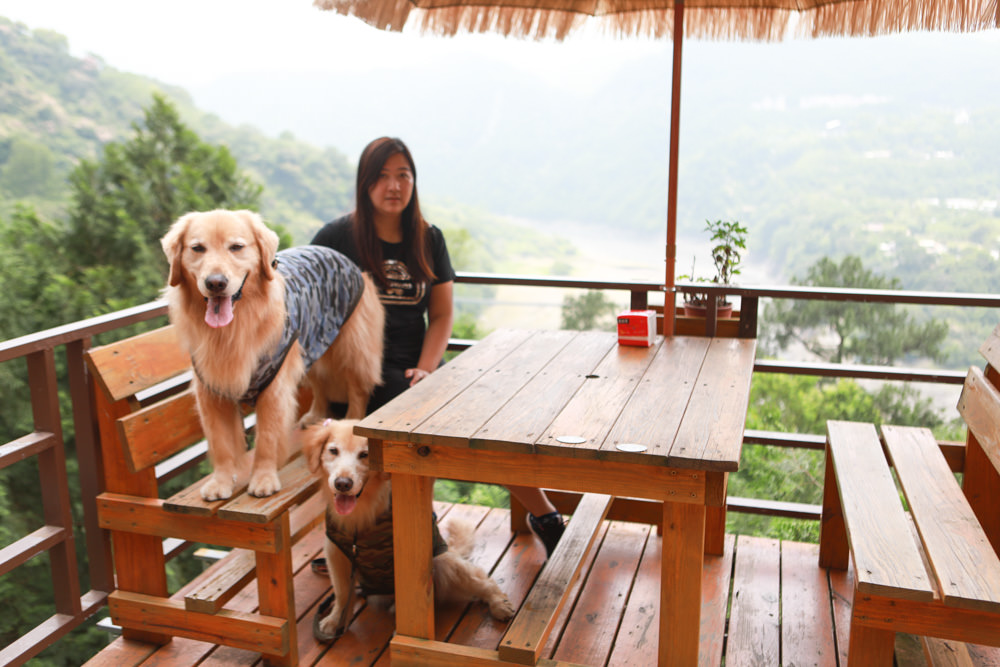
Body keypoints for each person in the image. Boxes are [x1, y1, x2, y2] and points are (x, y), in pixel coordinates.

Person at [311, 137, 565, 556]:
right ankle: (364, 541)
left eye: (403, 176)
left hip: (419, 368)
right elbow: (305, 296)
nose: (394, 186)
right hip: (358, 374)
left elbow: (442, 315)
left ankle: (545, 516)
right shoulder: (338, 237)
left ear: (414, 182)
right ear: (365, 183)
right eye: (382, 177)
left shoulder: (428, 238)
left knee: (488, 424)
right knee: (420, 431)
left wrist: (427, 368)